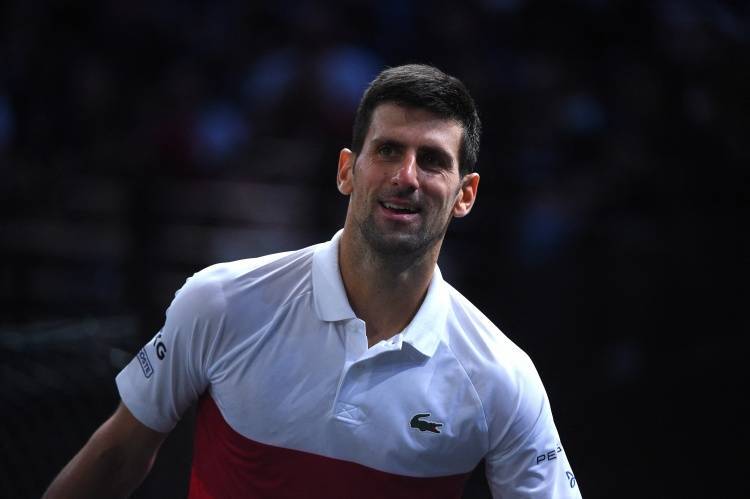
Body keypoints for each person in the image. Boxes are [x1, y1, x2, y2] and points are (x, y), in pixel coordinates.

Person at [44, 64, 581, 498]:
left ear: (465, 195)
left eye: (433, 161)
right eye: (388, 150)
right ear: (347, 170)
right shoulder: (221, 302)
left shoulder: (503, 377)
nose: (406, 176)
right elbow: (116, 457)